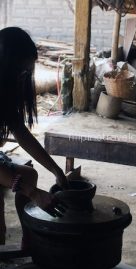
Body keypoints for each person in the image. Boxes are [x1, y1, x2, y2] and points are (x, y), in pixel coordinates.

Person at [0, 27, 68, 247]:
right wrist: (33, 193)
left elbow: (22, 134)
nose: (24, 79)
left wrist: (56, 170)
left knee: (28, 174)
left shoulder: (5, 92)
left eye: (27, 74)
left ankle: (29, 243)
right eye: (21, 72)